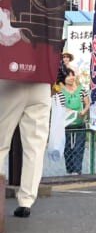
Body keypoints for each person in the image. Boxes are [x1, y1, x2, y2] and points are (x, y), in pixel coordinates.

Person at [0, 80, 50, 218]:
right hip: (41, 84)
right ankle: (26, 202)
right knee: (35, 147)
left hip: (11, 80)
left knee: (1, 143)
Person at [57, 67, 89, 174]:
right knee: (67, 149)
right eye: (68, 76)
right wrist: (67, 110)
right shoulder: (60, 92)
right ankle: (70, 171)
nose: (71, 78)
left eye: (72, 75)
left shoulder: (81, 89)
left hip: (80, 123)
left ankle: (77, 171)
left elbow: (87, 103)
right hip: (66, 125)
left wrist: (84, 111)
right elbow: (59, 107)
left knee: (78, 148)